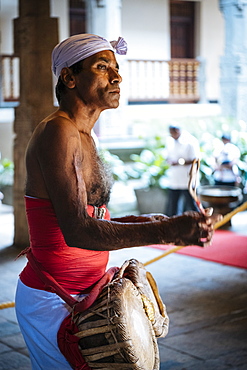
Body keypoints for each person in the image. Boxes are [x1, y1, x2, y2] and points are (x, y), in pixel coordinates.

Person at [15, 34, 221, 370]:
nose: (117, 77)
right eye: (102, 67)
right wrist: (168, 230)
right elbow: (78, 232)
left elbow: (92, 217)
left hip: (83, 292)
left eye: (116, 67)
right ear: (69, 77)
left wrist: (154, 223)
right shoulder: (58, 131)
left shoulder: (85, 136)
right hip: (54, 298)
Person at [165, 125, 200, 216]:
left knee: (192, 204)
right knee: (173, 206)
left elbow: (195, 159)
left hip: (187, 178)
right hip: (175, 179)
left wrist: (180, 162)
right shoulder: (169, 141)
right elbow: (168, 156)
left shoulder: (190, 141)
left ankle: (200, 223)